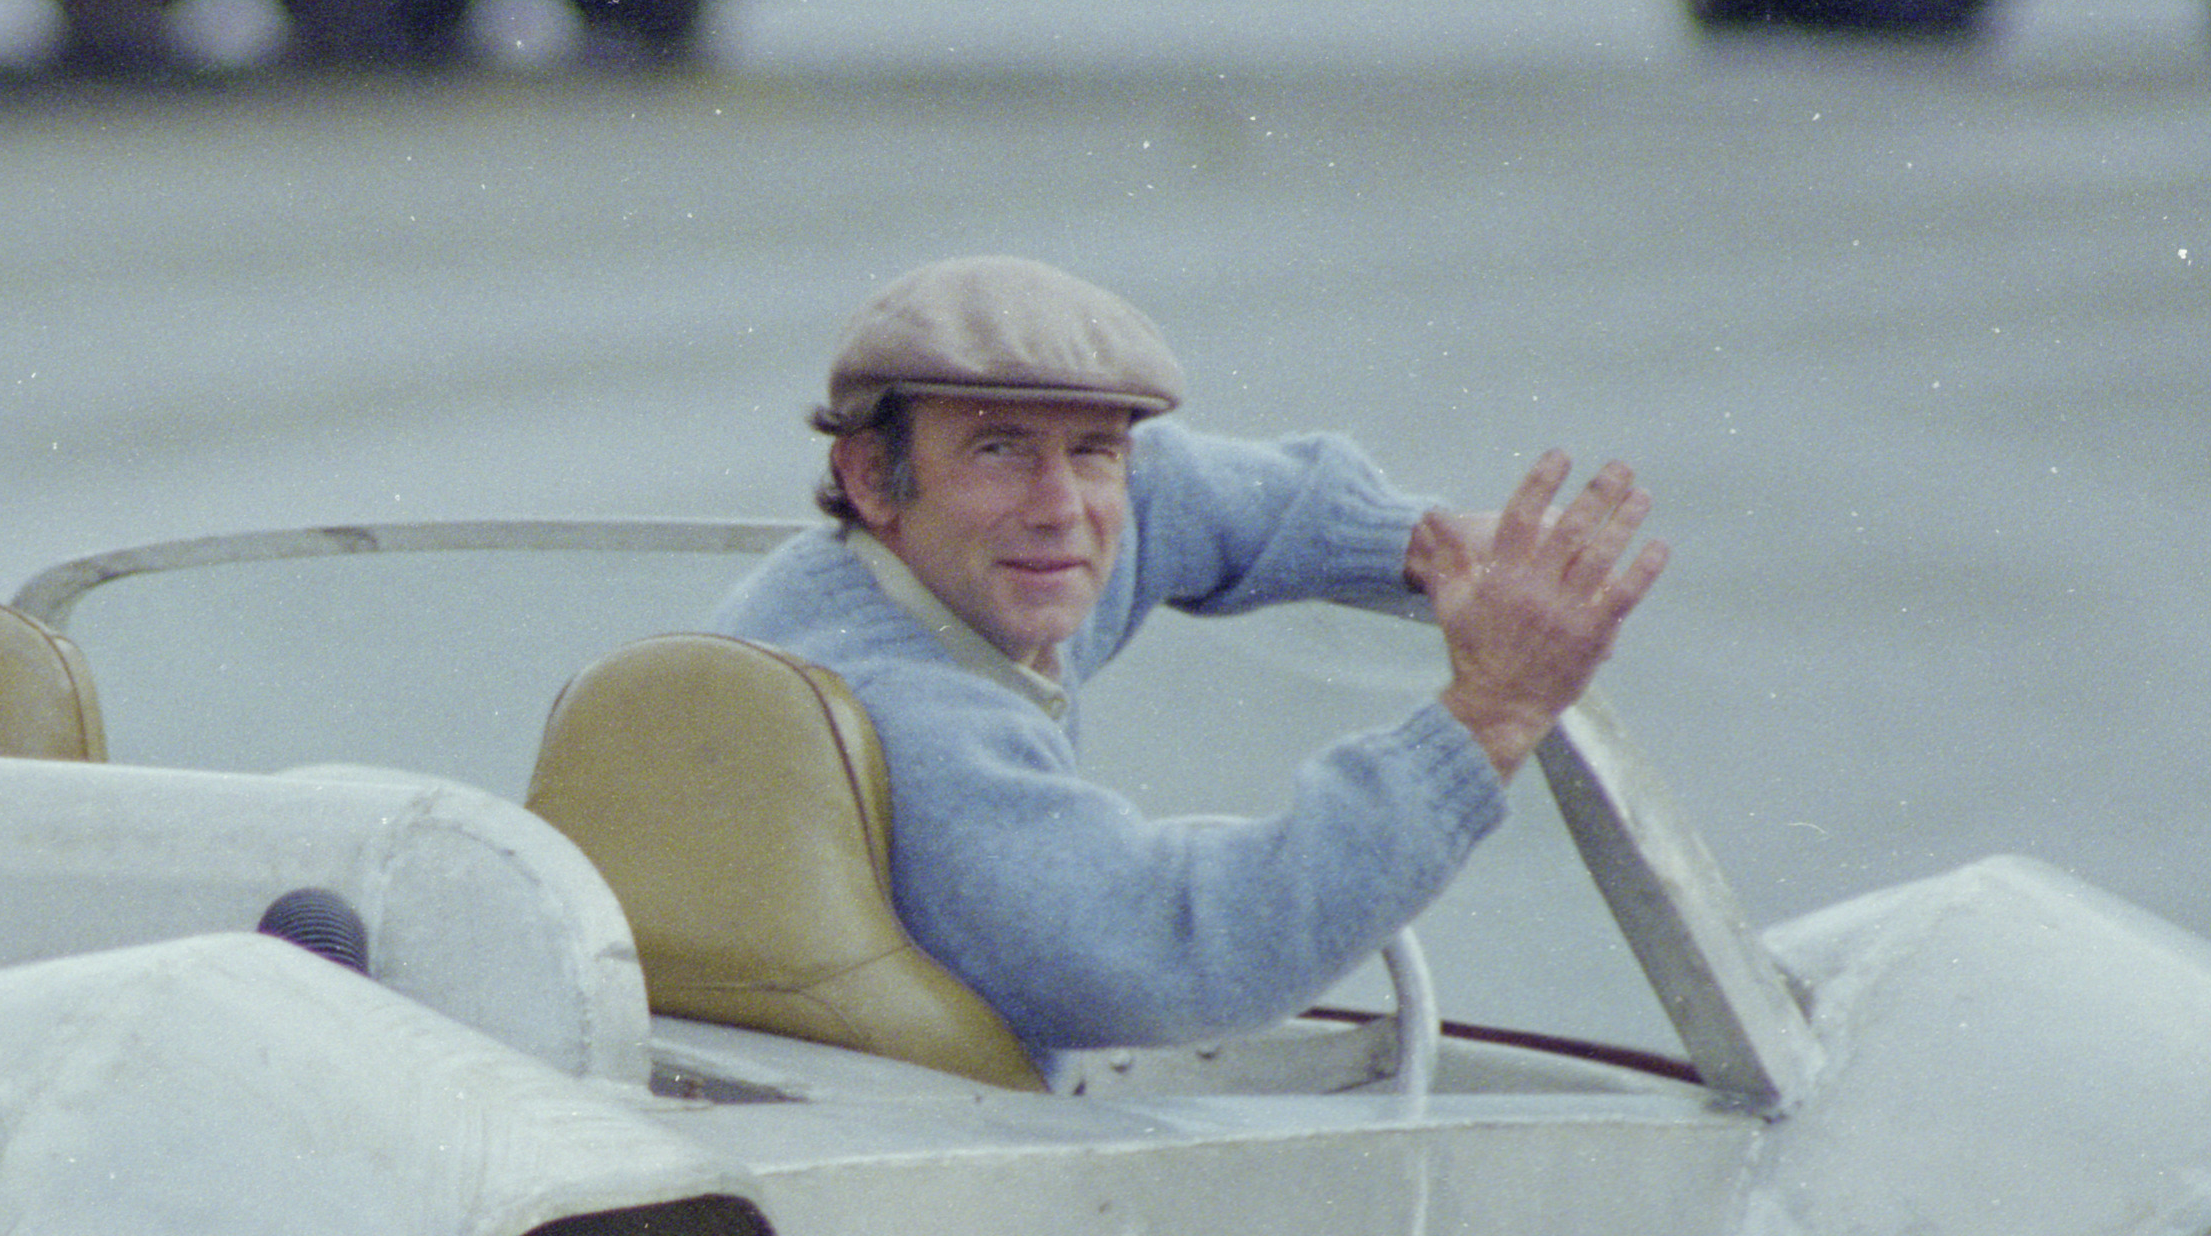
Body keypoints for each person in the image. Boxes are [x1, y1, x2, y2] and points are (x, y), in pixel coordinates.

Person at [705, 252, 1662, 1059]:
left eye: (1092, 451)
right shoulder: (896, 713)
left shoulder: (932, 567)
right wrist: (1490, 714)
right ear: (871, 476)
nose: (1061, 508)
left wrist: (1422, 544)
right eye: (997, 450)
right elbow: (1171, 952)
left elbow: (1172, 487)